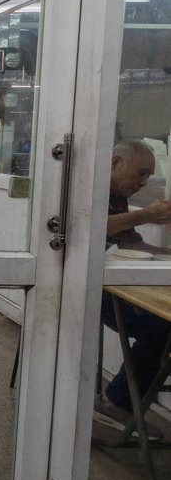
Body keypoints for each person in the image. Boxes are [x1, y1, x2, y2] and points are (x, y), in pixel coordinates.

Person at [95, 140, 171, 435]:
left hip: (114, 280)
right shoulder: (91, 186)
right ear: (115, 162)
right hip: (86, 288)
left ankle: (119, 400)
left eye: (148, 176)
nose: (143, 182)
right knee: (161, 328)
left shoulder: (118, 194)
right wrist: (147, 215)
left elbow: (130, 242)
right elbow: (90, 227)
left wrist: (164, 254)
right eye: (140, 174)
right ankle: (115, 402)